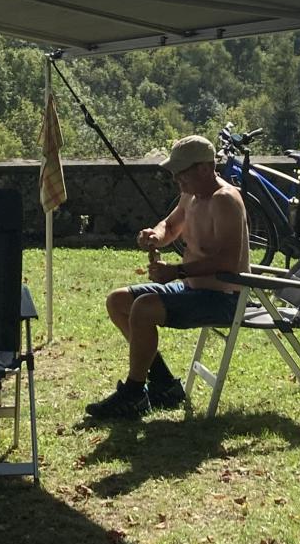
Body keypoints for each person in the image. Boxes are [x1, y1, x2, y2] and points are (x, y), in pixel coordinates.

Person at [85, 134, 250, 420]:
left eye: (181, 172)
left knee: (144, 307)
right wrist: (155, 235)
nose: (176, 179)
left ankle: (135, 393)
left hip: (225, 299)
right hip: (191, 290)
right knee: (118, 301)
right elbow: (171, 225)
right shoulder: (192, 195)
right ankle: (163, 384)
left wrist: (176, 271)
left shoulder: (225, 200)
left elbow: (228, 262)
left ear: (204, 168)